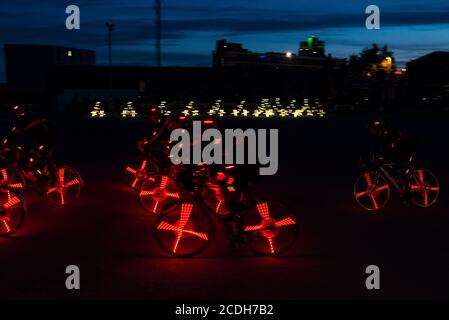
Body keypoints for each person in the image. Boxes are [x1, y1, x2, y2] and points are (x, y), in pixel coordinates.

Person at [2, 105, 58, 181]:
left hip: (46, 138)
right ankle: (42, 177)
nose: (17, 113)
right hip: (51, 136)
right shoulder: (32, 115)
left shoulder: (23, 119)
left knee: (33, 158)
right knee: (36, 155)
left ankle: (42, 179)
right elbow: (31, 133)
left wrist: (6, 144)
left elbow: (15, 133)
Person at [367, 119, 416, 199]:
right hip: (398, 150)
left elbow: (394, 147)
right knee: (390, 164)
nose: (370, 131)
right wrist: (373, 160)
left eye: (371, 129)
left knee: (403, 170)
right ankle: (399, 182)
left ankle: (407, 193)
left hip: (407, 147)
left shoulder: (389, 133)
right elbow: (376, 149)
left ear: (378, 129)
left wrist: (383, 157)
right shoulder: (377, 137)